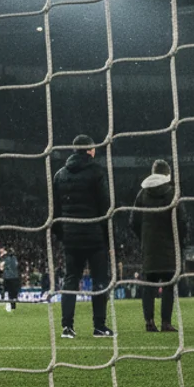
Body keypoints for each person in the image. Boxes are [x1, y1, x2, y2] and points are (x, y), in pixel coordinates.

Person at [52, 134, 114, 339]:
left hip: (71, 236)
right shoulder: (97, 172)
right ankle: (99, 326)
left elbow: (55, 210)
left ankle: (67, 327)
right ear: (90, 150)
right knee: (99, 281)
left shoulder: (59, 175)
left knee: (71, 280)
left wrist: (62, 235)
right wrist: (107, 237)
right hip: (94, 234)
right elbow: (105, 206)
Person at [130, 159, 187, 333]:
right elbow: (182, 221)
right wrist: (179, 241)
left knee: (148, 287)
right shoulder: (172, 194)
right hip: (169, 247)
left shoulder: (142, 194)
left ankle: (149, 322)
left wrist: (145, 238)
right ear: (167, 174)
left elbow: (133, 221)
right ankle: (166, 323)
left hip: (149, 248)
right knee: (169, 287)